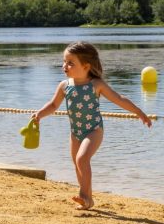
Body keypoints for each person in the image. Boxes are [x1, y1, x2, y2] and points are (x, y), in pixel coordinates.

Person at [32, 41, 152, 211]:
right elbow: (53, 105)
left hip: (94, 130)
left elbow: (120, 99)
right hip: (75, 132)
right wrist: (39, 115)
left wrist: (140, 113)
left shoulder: (96, 85)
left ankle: (84, 196)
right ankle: (89, 200)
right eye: (64, 61)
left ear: (86, 66)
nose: (65, 66)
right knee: (77, 163)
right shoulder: (65, 86)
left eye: (70, 63)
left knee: (82, 159)